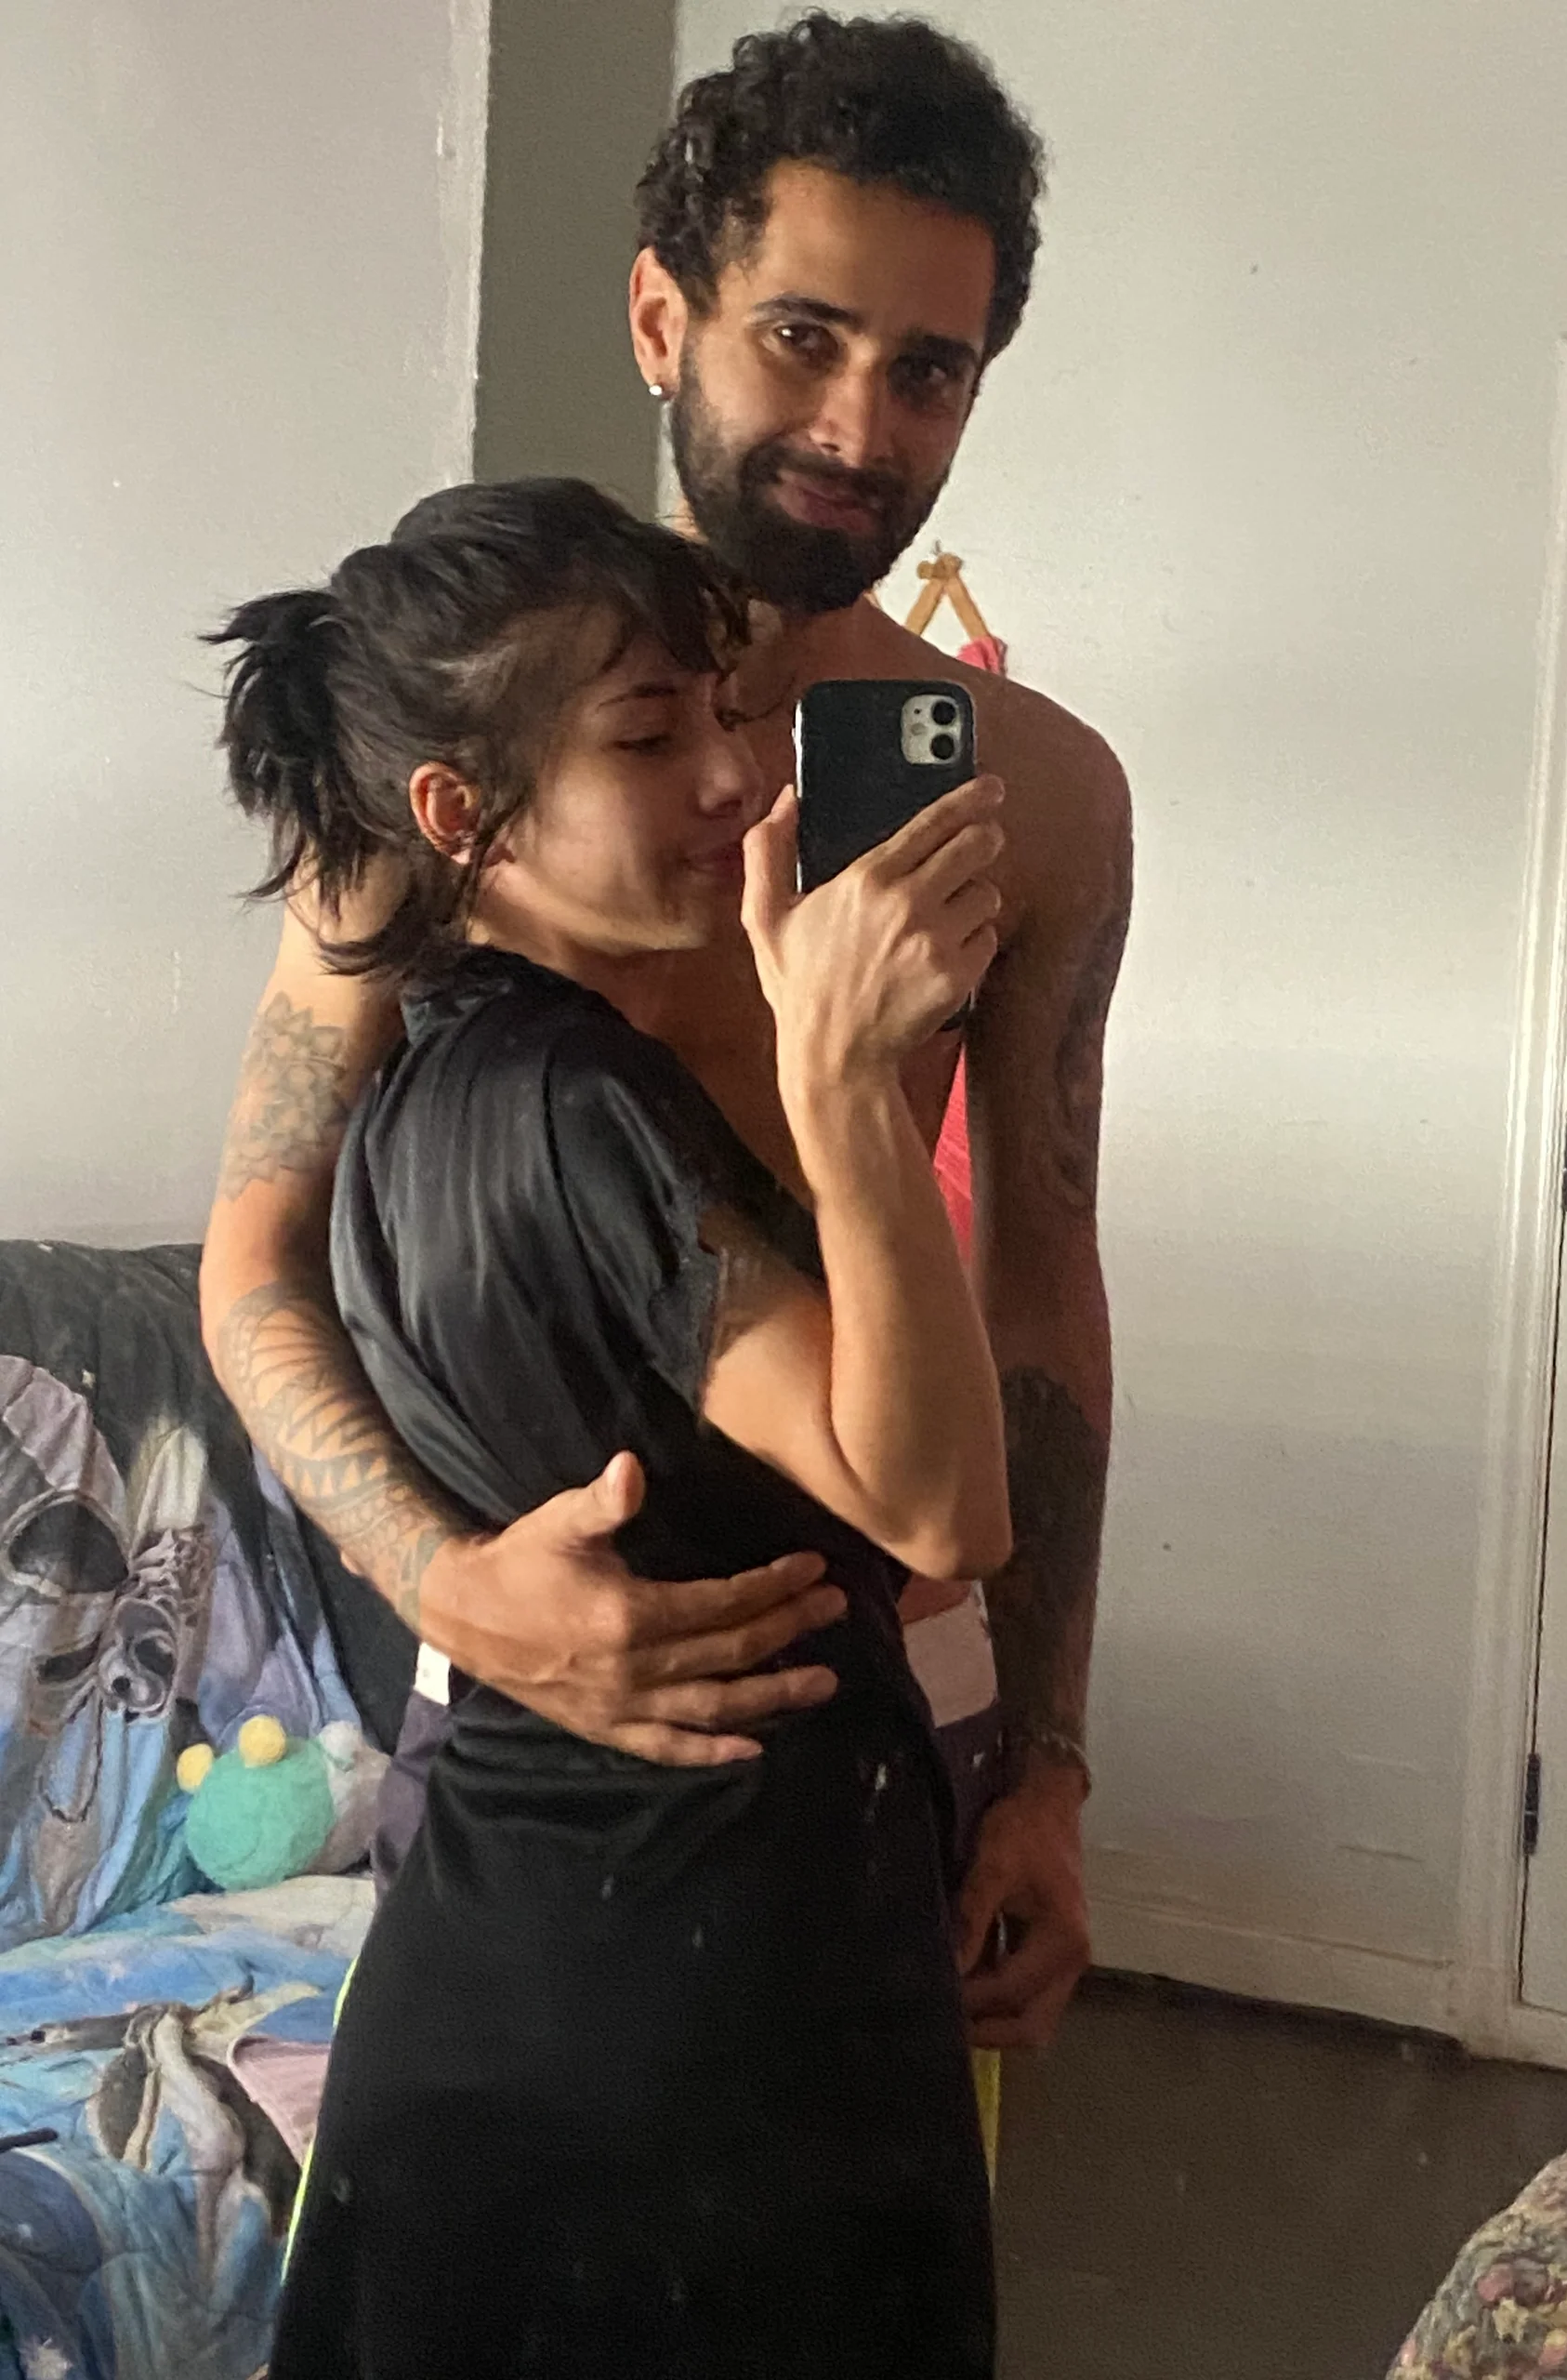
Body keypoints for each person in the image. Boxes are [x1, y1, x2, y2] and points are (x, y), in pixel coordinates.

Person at [199, 11, 1130, 2052]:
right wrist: (444, 1582)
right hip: (544, 1674)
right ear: (660, 317)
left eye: (930, 370)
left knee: (874, 2209)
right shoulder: (470, 752)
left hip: (908, 1672)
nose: (861, 428)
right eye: (802, 336)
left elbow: (1040, 1284)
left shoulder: (1039, 797)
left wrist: (1051, 1761)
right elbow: (254, 1248)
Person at [234, 477, 1008, 2374]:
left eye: (729, 713)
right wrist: (843, 1077)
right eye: (650, 739)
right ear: (459, 815)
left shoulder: (433, 1069)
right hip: (690, 2006)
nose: (738, 777)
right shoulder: (582, 1102)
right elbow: (937, 1502)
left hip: (518, 1951)